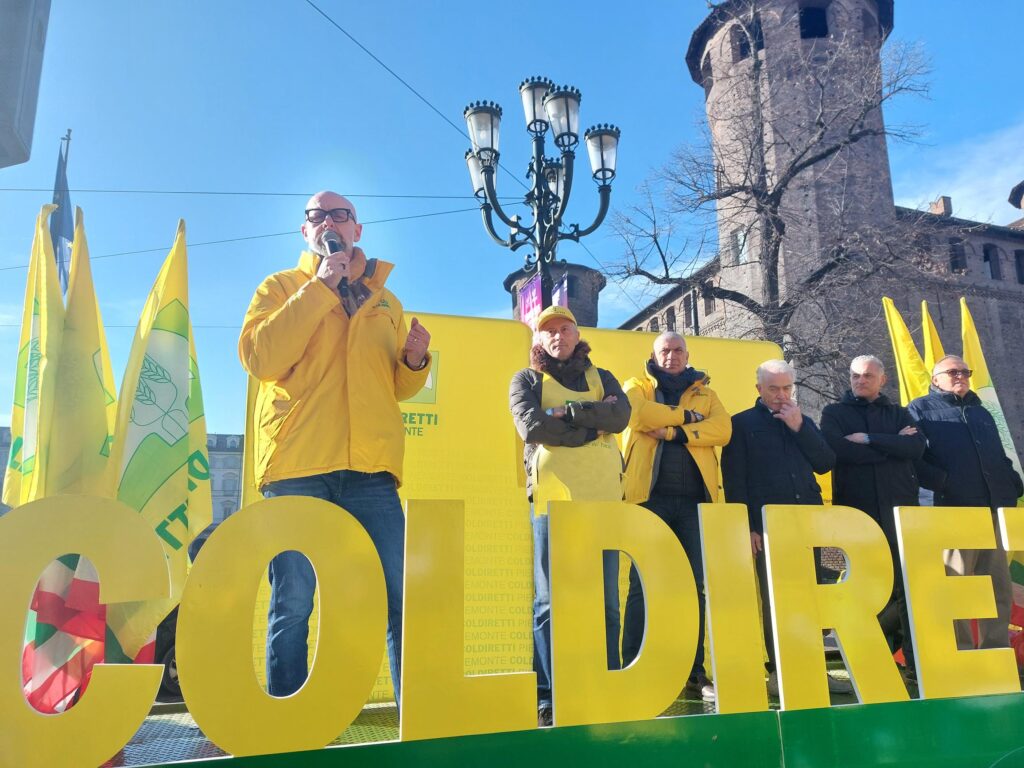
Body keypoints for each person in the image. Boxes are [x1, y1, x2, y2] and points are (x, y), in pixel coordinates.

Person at [239, 190, 432, 700]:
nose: (330, 221)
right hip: (298, 465)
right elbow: (261, 358)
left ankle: (414, 719)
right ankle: (289, 724)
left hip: (371, 471)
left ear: (357, 229)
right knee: (294, 600)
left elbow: (394, 386)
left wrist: (414, 363)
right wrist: (320, 288)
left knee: (400, 593)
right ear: (307, 232)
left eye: (340, 214)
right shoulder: (280, 287)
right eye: (318, 216)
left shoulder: (387, 300)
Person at [509, 305, 631, 727]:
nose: (557, 336)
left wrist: (568, 415)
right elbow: (533, 428)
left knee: (607, 602)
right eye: (549, 331)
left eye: (565, 328)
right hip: (551, 503)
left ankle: (608, 681)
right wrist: (594, 425)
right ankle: (548, 694)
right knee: (548, 604)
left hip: (603, 501)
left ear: (578, 334)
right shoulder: (525, 380)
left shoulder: (604, 377)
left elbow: (622, 416)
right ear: (538, 341)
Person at [721, 359, 851, 696]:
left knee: (815, 599)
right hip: (767, 528)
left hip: (809, 522)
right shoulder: (740, 425)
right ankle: (781, 672)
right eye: (774, 388)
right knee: (777, 600)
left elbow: (826, 463)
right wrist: (748, 526)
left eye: (786, 388)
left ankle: (815, 668)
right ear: (759, 389)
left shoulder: (803, 421)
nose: (781, 395)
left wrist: (800, 427)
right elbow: (735, 481)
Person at [620, 331, 732, 702]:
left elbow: (723, 430)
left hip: (694, 505)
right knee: (641, 587)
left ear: (688, 354)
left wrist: (671, 431)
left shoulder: (707, 392)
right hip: (648, 500)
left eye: (678, 350)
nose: (672, 356)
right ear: (653, 355)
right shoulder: (636, 384)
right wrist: (688, 417)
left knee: (693, 588)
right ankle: (631, 666)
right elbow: (637, 413)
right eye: (665, 351)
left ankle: (693, 672)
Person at [909, 355, 1024, 651]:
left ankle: (995, 652)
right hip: (953, 511)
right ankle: (960, 653)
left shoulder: (981, 411)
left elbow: (998, 455)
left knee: (997, 588)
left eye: (964, 371)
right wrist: (945, 483)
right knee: (957, 586)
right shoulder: (919, 409)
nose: (960, 375)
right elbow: (914, 459)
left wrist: (1011, 482)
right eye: (952, 372)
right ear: (935, 379)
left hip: (992, 510)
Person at [820, 355, 924, 682]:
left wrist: (868, 439)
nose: (860, 381)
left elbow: (917, 448)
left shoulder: (898, 412)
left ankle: (910, 662)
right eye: (855, 376)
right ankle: (869, 662)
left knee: (904, 589)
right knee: (866, 592)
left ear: (882, 379)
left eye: (867, 376)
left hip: (899, 512)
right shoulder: (834, 413)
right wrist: (894, 445)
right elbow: (839, 451)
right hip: (857, 514)